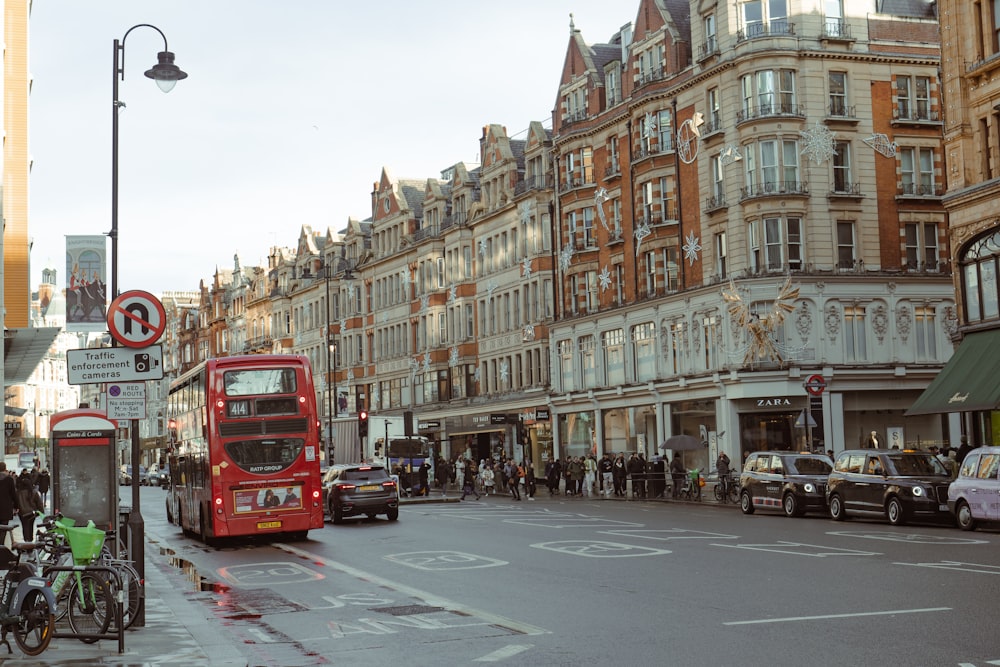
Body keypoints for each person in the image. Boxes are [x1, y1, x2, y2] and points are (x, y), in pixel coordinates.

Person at [16, 474, 42, 541]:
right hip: (32, 513)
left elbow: (15, 503)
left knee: (24, 526)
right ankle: (30, 540)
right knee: (30, 526)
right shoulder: (33, 492)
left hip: (22, 513)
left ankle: (26, 540)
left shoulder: (18, 493)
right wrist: (41, 512)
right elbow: (39, 503)